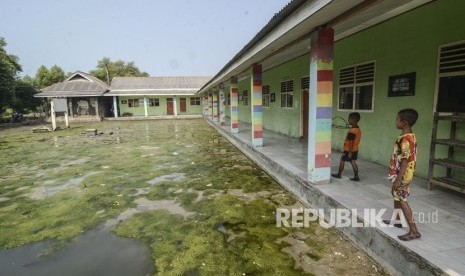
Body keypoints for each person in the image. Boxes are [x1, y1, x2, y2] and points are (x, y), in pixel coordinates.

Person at [388, 108, 421, 241]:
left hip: (403, 174)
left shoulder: (406, 140)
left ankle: (414, 231)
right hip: (401, 173)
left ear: (404, 122)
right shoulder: (409, 136)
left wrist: (399, 178)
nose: (395, 121)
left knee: (402, 198)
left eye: (397, 119)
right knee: (395, 194)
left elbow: (405, 160)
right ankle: (397, 220)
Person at [331, 112, 361, 181]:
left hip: (348, 150)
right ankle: (356, 176)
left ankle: (339, 174)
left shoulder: (352, 131)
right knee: (353, 161)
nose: (348, 120)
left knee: (342, 160)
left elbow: (351, 142)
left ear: (353, 120)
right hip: (355, 149)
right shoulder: (358, 129)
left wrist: (350, 152)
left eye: (349, 119)